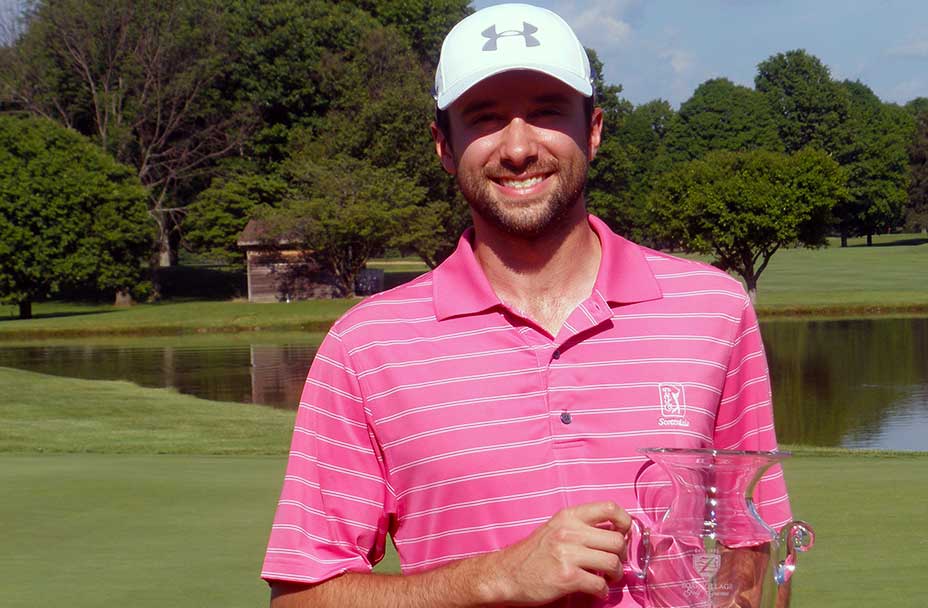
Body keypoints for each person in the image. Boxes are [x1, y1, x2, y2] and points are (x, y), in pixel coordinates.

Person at [262, 3, 792, 607]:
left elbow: (747, 541)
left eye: (545, 113)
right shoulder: (365, 347)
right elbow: (299, 597)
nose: (517, 148)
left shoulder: (714, 311)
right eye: (484, 118)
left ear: (592, 130)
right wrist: (497, 577)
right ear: (443, 143)